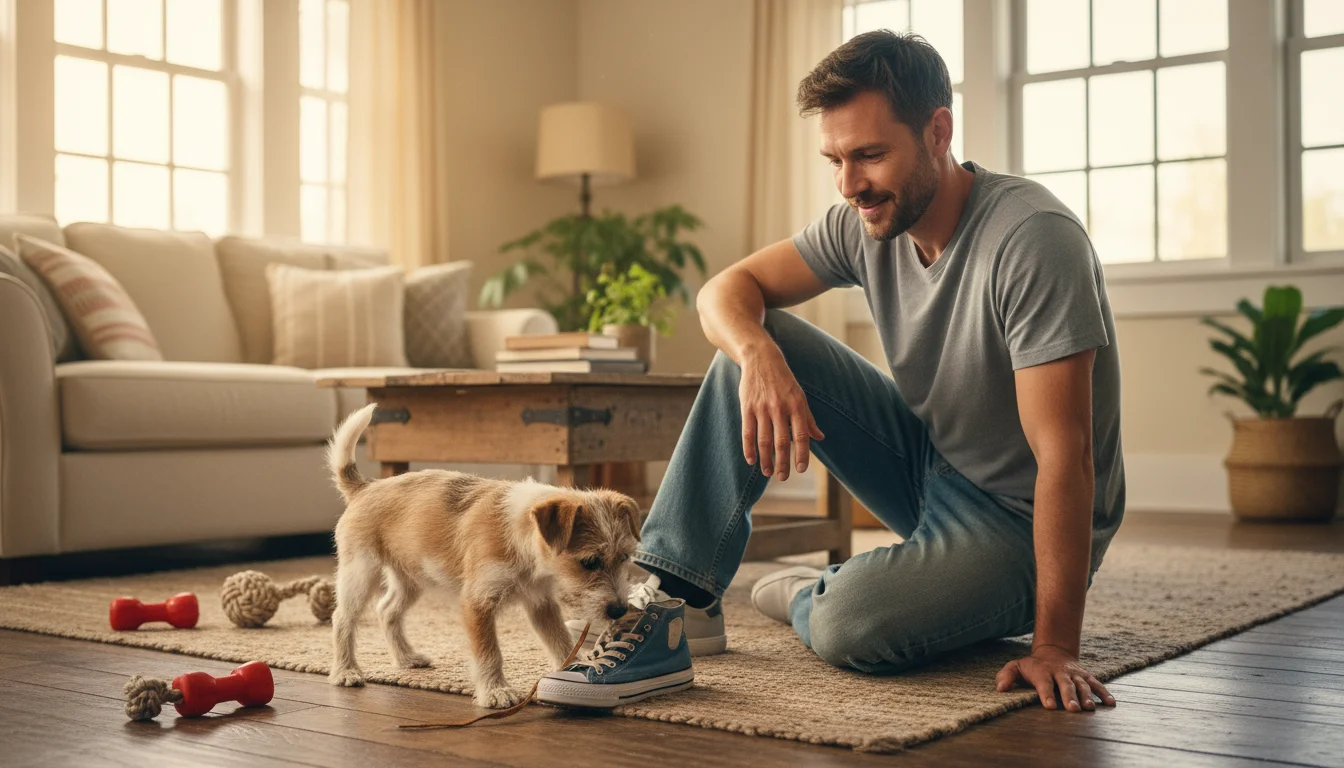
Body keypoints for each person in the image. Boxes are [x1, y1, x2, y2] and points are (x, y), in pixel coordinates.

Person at [565, 29, 1123, 714]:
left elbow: (1064, 455)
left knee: (849, 625)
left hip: (1018, 514)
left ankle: (807, 592)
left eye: (870, 155)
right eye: (835, 158)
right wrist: (758, 357)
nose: (850, 184)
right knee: (753, 333)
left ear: (938, 132)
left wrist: (1056, 647)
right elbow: (723, 290)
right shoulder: (866, 222)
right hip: (928, 465)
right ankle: (677, 596)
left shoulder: (1032, 239)